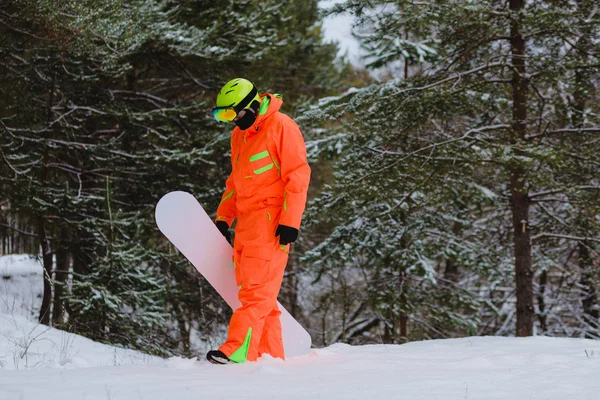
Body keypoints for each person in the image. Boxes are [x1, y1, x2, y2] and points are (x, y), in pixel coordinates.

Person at [206, 78, 311, 364]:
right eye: (222, 115)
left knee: (255, 293)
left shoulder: (282, 127)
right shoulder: (239, 136)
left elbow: (298, 176)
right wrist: (224, 218)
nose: (230, 121)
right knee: (261, 296)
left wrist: (291, 221)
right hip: (247, 227)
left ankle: (238, 349)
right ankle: (269, 357)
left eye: (232, 113)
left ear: (252, 106)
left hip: (271, 224)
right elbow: (235, 181)